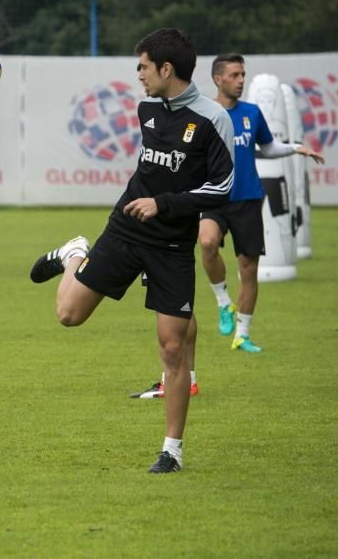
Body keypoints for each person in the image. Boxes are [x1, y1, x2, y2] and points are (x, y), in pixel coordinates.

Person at [29, 28, 235, 473]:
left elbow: (222, 187)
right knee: (68, 316)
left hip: (173, 245)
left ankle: (172, 452)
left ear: (166, 69)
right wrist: (147, 202)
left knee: (172, 350)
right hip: (126, 229)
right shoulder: (147, 109)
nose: (138, 75)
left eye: (143, 66)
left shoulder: (214, 118)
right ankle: (74, 253)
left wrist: (164, 205)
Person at [199, 53, 324, 352]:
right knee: (206, 243)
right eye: (235, 75)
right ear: (218, 79)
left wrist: (296, 149)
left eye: (243, 74)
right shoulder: (203, 113)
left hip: (248, 199)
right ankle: (223, 302)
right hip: (215, 196)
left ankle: (242, 333)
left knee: (249, 270)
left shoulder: (252, 113)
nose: (242, 80)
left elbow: (266, 148)